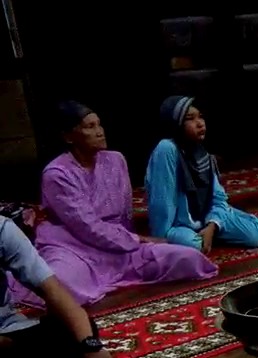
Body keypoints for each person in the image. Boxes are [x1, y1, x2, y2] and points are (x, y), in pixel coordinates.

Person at [8, 102, 217, 310]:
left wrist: (133, 242)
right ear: (69, 137)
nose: (99, 132)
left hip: (119, 246)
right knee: (62, 285)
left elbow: (125, 214)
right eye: (90, 127)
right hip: (74, 246)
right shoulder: (57, 174)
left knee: (188, 259)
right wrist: (135, 240)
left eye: (99, 125)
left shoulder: (116, 160)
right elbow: (85, 226)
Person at [0, 217, 124, 358]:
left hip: (10, 332)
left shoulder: (3, 230)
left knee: (77, 329)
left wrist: (90, 345)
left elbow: (54, 291)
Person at [146, 96, 258, 253]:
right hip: (180, 225)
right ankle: (195, 238)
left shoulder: (202, 153)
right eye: (190, 119)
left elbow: (218, 198)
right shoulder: (167, 149)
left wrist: (212, 225)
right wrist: (161, 241)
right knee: (195, 245)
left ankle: (208, 234)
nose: (200, 123)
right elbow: (162, 203)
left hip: (206, 219)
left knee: (257, 233)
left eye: (200, 117)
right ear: (176, 124)